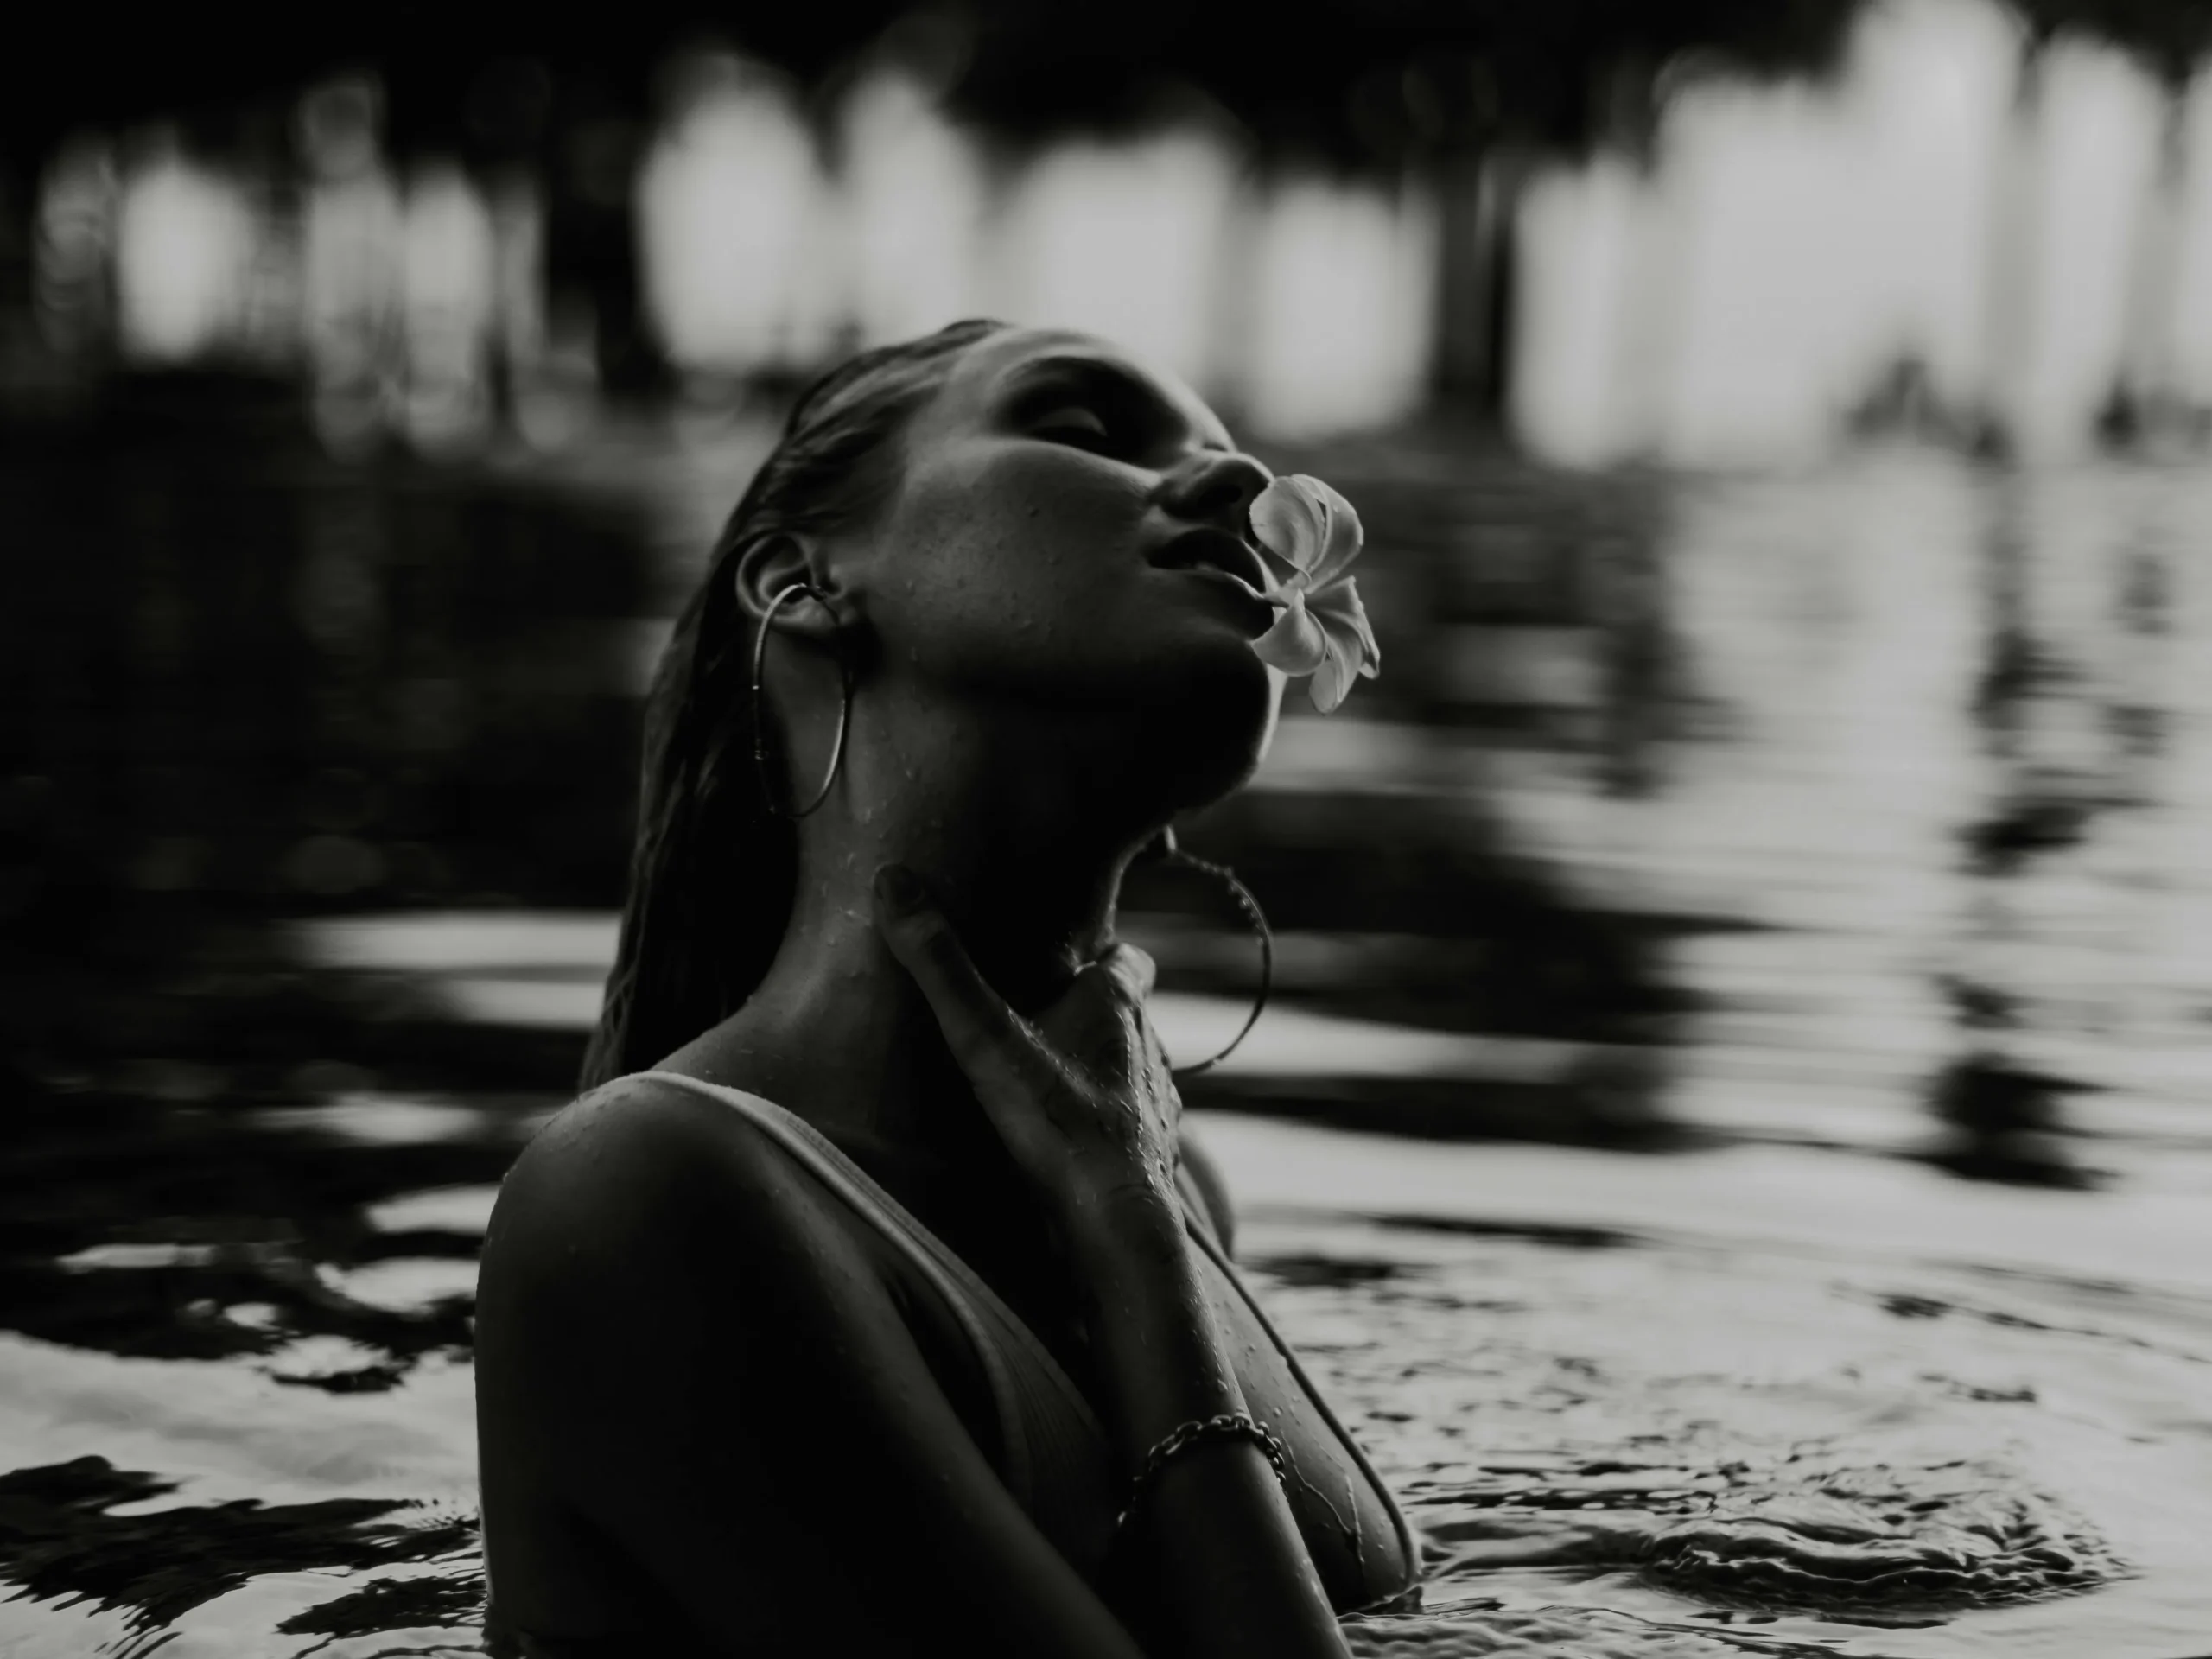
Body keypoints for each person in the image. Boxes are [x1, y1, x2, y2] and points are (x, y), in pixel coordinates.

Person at [474, 319, 1420, 1657]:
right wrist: (1135, 1255)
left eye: (1223, 450)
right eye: (1084, 430)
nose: (1243, 483)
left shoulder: (1167, 1190)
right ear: (805, 583)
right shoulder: (642, 1200)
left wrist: (1136, 1220)